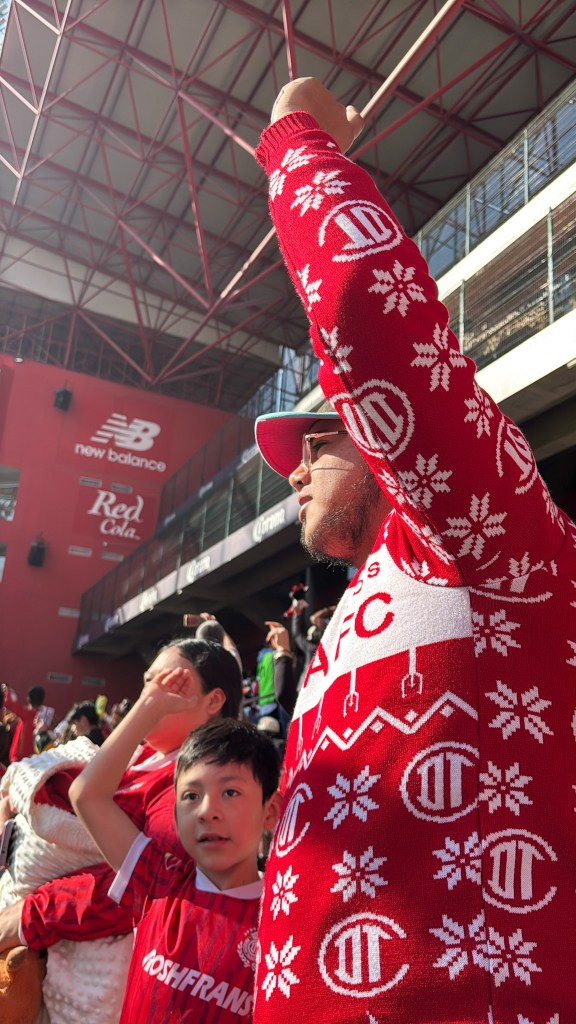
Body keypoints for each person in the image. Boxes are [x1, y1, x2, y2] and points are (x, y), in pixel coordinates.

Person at [251, 78, 576, 1023]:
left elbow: (369, 320)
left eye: (316, 442)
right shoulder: (368, 598)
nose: (293, 472)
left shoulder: (483, 546)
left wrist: (300, 141)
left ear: (377, 437)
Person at [0, 638, 242, 1024]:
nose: (150, 694)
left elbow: (139, 883)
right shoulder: (142, 756)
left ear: (213, 701)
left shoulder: (199, 785)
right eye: (147, 682)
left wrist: (30, 915)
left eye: (167, 683)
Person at [70, 699, 281, 1024]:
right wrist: (150, 701)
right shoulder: (158, 882)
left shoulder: (281, 920)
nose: (207, 811)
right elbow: (87, 795)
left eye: (230, 792)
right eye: (191, 796)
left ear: (270, 811)